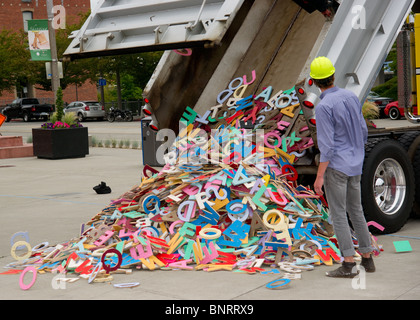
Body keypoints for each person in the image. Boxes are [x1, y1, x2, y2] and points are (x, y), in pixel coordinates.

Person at [310, 56, 375, 277]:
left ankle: (348, 263)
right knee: (356, 210)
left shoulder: (324, 107)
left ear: (314, 81)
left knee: (338, 214)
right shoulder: (351, 96)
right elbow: (363, 131)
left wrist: (319, 177)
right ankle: (367, 258)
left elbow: (326, 148)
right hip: (355, 164)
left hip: (337, 167)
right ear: (333, 76)